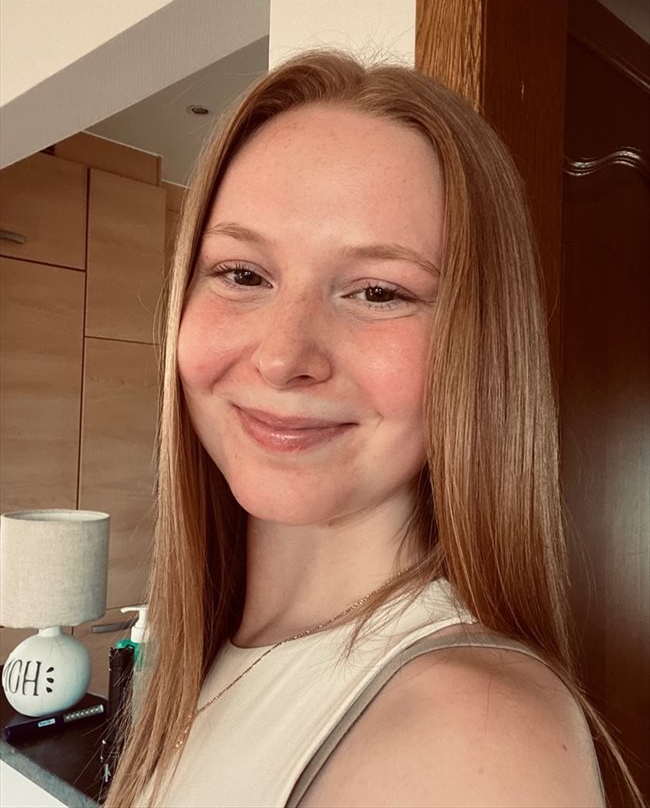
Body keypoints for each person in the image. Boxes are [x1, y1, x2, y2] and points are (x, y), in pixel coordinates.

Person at [105, 50, 643, 808]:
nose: (284, 356)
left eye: (379, 292)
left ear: (478, 348)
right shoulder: (208, 658)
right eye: (243, 274)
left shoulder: (473, 739)